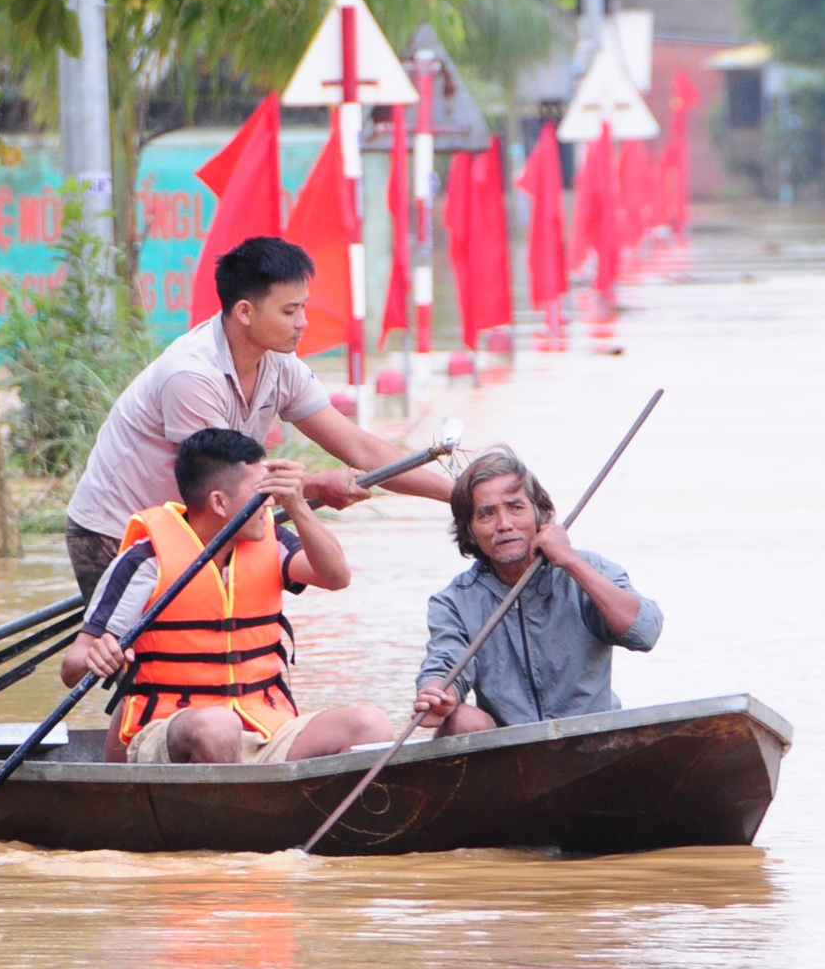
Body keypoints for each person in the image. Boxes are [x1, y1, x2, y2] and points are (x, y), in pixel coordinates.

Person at [62, 236, 453, 595]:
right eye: (289, 311)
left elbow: (360, 447)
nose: (303, 322)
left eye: (303, 308)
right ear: (245, 312)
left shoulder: (282, 365)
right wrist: (315, 486)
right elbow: (221, 485)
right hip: (116, 532)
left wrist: (458, 495)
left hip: (205, 524)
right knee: (164, 661)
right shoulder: (192, 374)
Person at [64, 427, 392, 764]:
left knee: (371, 724)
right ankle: (236, 812)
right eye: (260, 492)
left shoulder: (271, 541)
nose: (270, 502)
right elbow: (72, 666)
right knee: (218, 725)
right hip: (171, 730)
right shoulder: (145, 562)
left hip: (265, 726)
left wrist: (298, 507)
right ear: (219, 502)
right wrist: (97, 657)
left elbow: (336, 577)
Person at [410, 448, 661, 735]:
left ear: (540, 514)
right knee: (462, 719)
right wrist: (436, 695)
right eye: (487, 514)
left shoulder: (588, 568)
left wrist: (570, 561)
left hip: (593, 738)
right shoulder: (455, 601)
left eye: (516, 508)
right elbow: (444, 665)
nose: (504, 525)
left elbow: (645, 633)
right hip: (510, 753)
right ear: (469, 532)